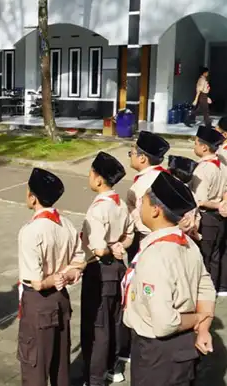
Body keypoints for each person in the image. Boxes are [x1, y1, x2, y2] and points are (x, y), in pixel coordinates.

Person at [123, 171, 216, 386]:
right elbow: (205, 287)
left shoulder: (156, 256)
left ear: (155, 210)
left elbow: (165, 323)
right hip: (182, 350)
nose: (139, 205)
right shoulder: (187, 243)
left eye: (143, 201)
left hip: (158, 355)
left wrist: (199, 318)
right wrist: (202, 328)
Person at [16, 168, 86, 386]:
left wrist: (52, 278)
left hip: (39, 303)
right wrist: (68, 275)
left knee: (34, 365)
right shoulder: (66, 224)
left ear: (33, 197)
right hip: (61, 299)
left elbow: (36, 282)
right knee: (60, 363)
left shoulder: (31, 231)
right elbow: (80, 261)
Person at [79, 152, 133, 386]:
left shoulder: (98, 209)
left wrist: (109, 248)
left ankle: (95, 378)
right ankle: (114, 367)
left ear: (99, 179)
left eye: (91, 173)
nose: (89, 177)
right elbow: (129, 235)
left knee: (98, 326)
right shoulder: (118, 202)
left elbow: (99, 249)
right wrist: (120, 245)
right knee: (114, 320)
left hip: (100, 271)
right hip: (119, 268)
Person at [190, 125, 227, 288]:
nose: (194, 146)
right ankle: (216, 287)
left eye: (196, 143)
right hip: (220, 219)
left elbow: (201, 200)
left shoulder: (203, 169)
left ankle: (205, 291)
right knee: (216, 255)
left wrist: (219, 204)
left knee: (205, 257)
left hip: (208, 217)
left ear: (204, 147)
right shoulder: (221, 165)